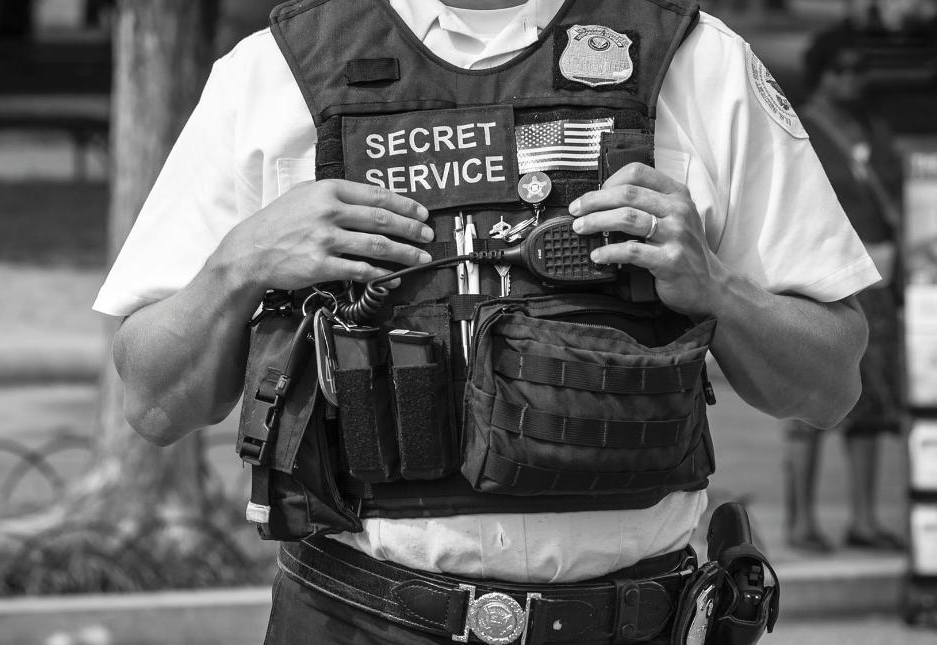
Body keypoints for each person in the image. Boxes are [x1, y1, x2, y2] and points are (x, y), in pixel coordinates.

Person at [95, 1, 875, 642]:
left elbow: (830, 385)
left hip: (633, 622)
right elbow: (155, 401)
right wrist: (241, 262)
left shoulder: (697, 60)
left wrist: (720, 289)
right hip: (357, 620)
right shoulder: (272, 76)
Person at [781, 37, 906, 554]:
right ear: (821, 75)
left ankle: (862, 519)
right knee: (807, 404)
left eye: (859, 69)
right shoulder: (798, 129)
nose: (853, 79)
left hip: (878, 281)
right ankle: (801, 522)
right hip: (819, 281)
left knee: (871, 408)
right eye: (842, 69)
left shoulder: (873, 130)